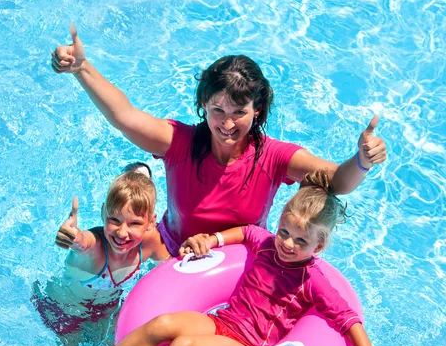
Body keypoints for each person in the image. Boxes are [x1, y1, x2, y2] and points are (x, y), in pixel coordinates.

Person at [48, 170, 393, 346]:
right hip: (223, 321)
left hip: (249, 345)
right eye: (284, 232)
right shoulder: (265, 242)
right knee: (162, 323)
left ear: (318, 246)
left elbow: (350, 322)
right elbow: (245, 231)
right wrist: (210, 240)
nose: (287, 244)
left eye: (299, 242)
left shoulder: (314, 280)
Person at [51, 24, 388, 256]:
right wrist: (83, 69)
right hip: (172, 250)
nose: (227, 124)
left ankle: (142, 174)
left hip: (235, 257)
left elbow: (337, 183)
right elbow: (124, 116)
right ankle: (141, 177)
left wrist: (362, 160)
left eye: (239, 111)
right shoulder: (180, 143)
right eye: (217, 110)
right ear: (203, 106)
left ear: (257, 110)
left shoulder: (273, 157)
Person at [33, 164, 170, 337]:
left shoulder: (150, 243)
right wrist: (73, 237)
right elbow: (84, 242)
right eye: (114, 220)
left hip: (106, 310)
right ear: (103, 213)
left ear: (151, 222)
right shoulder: (96, 246)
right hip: (66, 309)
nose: (122, 232)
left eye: (134, 223)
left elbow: (171, 271)